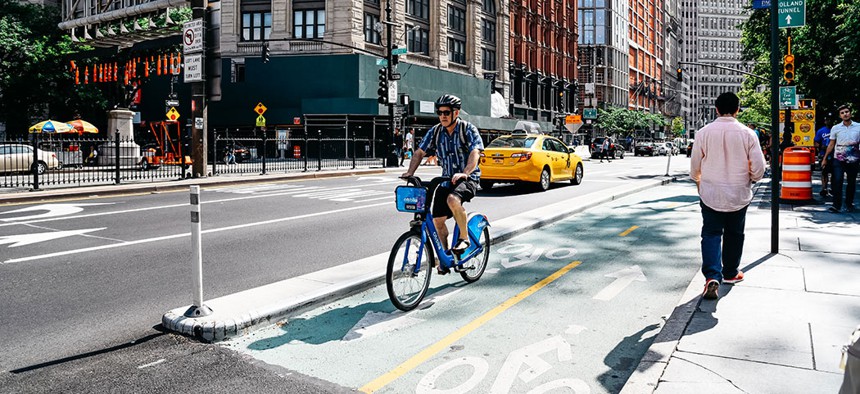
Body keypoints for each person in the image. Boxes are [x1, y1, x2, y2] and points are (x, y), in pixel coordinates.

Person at [690, 92, 766, 300]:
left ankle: (712, 276)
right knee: (735, 233)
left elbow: (695, 165)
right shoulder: (748, 134)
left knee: (711, 233)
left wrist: (698, 180)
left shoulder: (703, 133)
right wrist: (751, 178)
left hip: (711, 192)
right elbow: (759, 168)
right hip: (738, 192)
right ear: (737, 109)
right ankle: (731, 272)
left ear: (716, 109)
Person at [401, 94, 484, 274]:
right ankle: (445, 257)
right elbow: (419, 152)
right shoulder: (436, 131)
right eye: (439, 112)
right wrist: (410, 173)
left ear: (456, 113)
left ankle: (464, 238)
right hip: (446, 180)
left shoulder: (467, 129)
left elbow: (475, 153)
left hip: (468, 179)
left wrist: (465, 173)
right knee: (437, 220)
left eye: (446, 112)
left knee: (453, 200)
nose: (442, 116)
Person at [822, 105, 860, 213]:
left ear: (850, 113)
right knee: (837, 180)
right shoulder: (835, 128)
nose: (845, 114)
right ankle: (836, 205)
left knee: (851, 182)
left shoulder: (858, 126)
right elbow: (831, 144)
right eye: (842, 113)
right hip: (839, 158)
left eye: (847, 112)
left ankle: (849, 204)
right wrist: (825, 158)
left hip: (854, 158)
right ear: (840, 116)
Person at [814, 117, 834, 197]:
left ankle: (833, 188)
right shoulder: (821, 131)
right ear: (825, 121)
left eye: (830, 120)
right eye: (827, 120)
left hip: (835, 154)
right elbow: (816, 142)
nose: (829, 121)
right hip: (823, 154)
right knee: (824, 172)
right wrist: (820, 146)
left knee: (835, 173)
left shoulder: (836, 129)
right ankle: (824, 188)